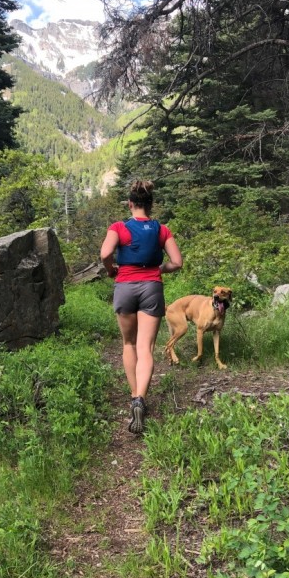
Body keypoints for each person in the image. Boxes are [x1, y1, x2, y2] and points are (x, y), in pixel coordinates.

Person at [100, 180, 183, 434]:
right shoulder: (162, 230)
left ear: (130, 204)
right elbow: (177, 262)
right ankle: (140, 399)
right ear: (151, 205)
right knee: (146, 347)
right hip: (151, 288)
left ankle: (133, 394)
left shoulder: (119, 227)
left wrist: (111, 270)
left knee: (129, 344)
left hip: (124, 286)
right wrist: (160, 269)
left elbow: (105, 254)